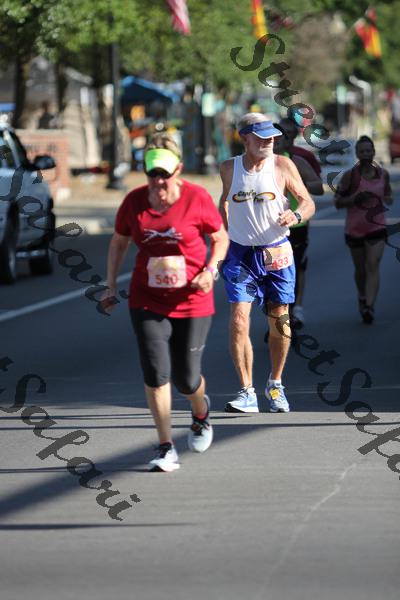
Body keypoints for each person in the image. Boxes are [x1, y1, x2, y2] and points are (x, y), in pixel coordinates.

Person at [102, 133, 229, 471]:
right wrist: (110, 285)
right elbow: (119, 242)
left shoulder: (196, 198)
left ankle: (200, 412)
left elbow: (220, 238)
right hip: (147, 299)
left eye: (164, 174)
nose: (158, 181)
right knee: (156, 373)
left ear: (178, 171)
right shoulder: (134, 202)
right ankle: (165, 446)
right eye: (152, 174)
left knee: (186, 379)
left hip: (192, 299)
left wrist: (211, 270)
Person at [219, 113, 315, 414]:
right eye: (262, 138)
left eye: (272, 137)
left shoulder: (283, 165)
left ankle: (275, 384)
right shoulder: (228, 168)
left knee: (279, 319)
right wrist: (224, 236)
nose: (269, 142)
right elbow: (223, 202)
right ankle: (246, 391)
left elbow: (307, 202)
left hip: (276, 252)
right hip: (241, 254)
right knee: (238, 319)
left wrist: (295, 215)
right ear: (245, 138)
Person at [334, 135, 393, 324]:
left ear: (373, 152)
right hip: (355, 229)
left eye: (369, 151)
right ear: (357, 154)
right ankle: (362, 296)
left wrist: (387, 199)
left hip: (377, 227)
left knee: (372, 264)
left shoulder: (383, 174)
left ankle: (369, 305)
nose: (366, 154)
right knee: (360, 269)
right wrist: (355, 199)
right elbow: (338, 202)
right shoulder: (350, 176)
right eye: (362, 151)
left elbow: (388, 194)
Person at [272, 123, 323, 333]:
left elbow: (318, 188)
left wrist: (297, 183)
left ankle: (292, 312)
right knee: (271, 272)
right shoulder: (254, 164)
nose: (274, 144)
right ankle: (279, 316)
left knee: (292, 268)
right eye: (270, 140)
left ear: (287, 142)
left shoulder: (296, 162)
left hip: (295, 225)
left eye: (279, 140)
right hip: (266, 229)